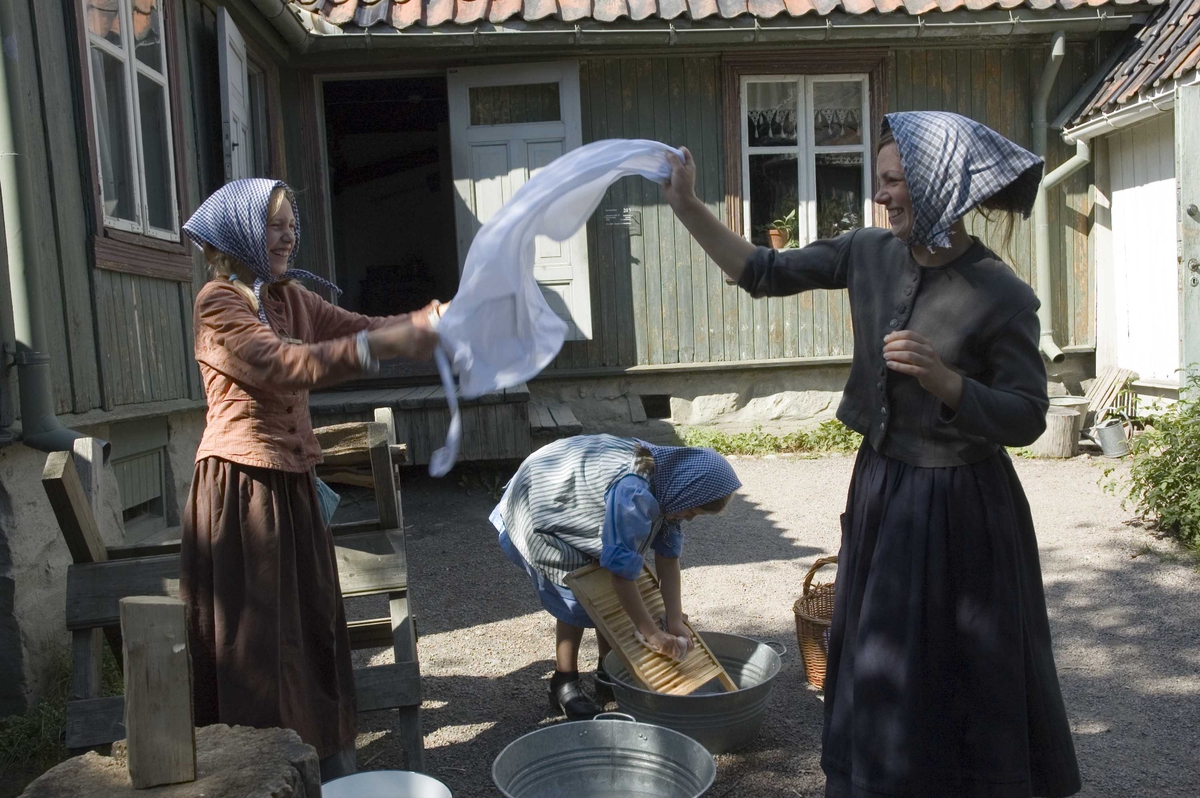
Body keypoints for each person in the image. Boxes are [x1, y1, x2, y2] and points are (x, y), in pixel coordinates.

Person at [662, 112, 1081, 797]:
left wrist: (948, 383)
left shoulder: (1002, 295)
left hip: (962, 506)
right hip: (883, 488)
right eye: (879, 181)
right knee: (879, 650)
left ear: (940, 187)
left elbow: (1029, 416)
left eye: (893, 182)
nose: (879, 196)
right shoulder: (867, 251)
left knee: (958, 660)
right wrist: (687, 206)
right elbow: (762, 271)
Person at [178, 178, 442, 781]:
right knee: (257, 644)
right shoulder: (218, 302)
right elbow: (281, 365)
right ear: (239, 231)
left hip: (291, 486)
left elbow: (359, 328)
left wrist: (429, 323)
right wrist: (389, 343)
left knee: (315, 629)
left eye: (292, 224)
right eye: (274, 224)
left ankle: (327, 773)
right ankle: (256, 778)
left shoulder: (290, 297)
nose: (288, 235)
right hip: (241, 493)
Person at [491, 434, 741, 719]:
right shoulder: (634, 493)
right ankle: (564, 681)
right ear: (687, 490)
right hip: (544, 497)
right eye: (692, 511)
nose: (691, 518)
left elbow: (669, 557)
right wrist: (653, 634)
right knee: (576, 597)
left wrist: (674, 619)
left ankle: (607, 672)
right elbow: (622, 575)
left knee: (608, 597)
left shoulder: (671, 487)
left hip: (585, 498)